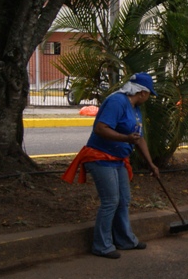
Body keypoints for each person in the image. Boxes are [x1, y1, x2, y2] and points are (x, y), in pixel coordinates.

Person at [62, 72, 161, 259]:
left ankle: (125, 240)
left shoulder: (135, 108)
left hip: (118, 159)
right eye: (149, 94)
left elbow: (139, 139)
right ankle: (102, 245)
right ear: (142, 93)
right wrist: (125, 138)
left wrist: (151, 164)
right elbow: (100, 128)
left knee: (123, 200)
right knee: (110, 201)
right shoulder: (117, 102)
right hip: (100, 158)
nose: (149, 98)